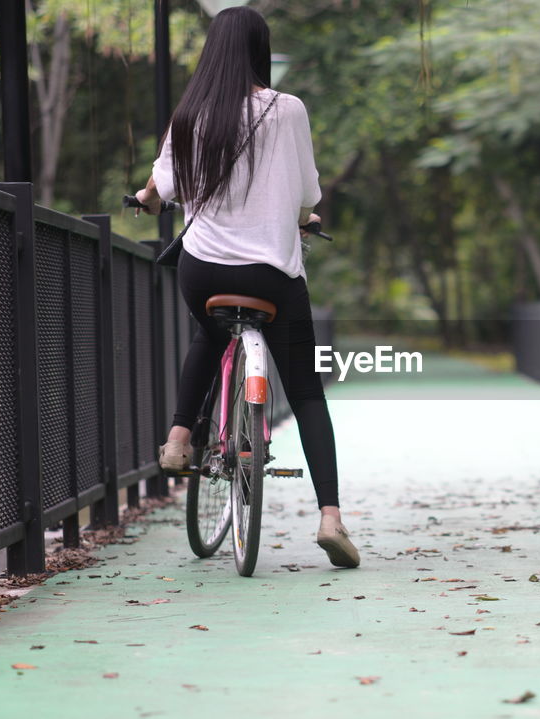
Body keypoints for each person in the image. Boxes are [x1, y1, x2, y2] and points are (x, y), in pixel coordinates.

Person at [134, 6, 357, 569]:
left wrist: (145, 199)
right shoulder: (288, 111)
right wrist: (300, 214)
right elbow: (307, 193)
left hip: (204, 268)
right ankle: (330, 517)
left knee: (208, 336)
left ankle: (180, 438)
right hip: (272, 276)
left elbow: (163, 184)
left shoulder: (190, 115)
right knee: (305, 392)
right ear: (262, 50)